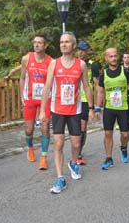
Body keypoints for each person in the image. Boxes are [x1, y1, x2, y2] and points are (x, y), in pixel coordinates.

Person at [39, 32, 94, 194]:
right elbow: (47, 87)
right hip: (58, 110)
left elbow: (87, 87)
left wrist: (91, 108)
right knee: (59, 143)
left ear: (73, 45)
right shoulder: (54, 64)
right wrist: (42, 110)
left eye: (67, 42)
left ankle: (73, 162)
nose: (63, 44)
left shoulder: (81, 65)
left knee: (76, 143)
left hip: (75, 110)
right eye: (61, 42)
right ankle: (60, 177)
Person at [95, 48, 129, 170]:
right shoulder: (103, 74)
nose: (114, 58)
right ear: (106, 58)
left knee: (125, 135)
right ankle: (109, 158)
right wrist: (97, 108)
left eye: (115, 56)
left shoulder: (125, 72)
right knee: (108, 133)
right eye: (111, 56)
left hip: (123, 108)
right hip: (109, 108)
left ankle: (124, 147)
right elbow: (100, 92)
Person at [19, 34, 53, 170]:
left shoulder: (51, 61)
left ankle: (44, 157)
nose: (36, 45)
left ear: (45, 46)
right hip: (30, 98)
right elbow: (22, 78)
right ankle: (31, 147)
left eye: (39, 43)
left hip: (46, 99)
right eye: (35, 42)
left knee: (45, 128)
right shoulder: (26, 58)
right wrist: (22, 96)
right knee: (29, 130)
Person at [76, 40, 101, 165]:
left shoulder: (93, 65)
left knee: (82, 127)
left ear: (88, 51)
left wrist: (97, 105)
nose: (80, 52)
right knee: (74, 127)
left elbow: (97, 86)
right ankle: (76, 147)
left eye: (83, 50)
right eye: (79, 49)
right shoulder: (73, 63)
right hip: (73, 100)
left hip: (86, 100)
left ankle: (79, 152)